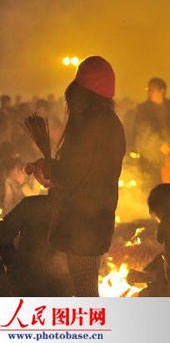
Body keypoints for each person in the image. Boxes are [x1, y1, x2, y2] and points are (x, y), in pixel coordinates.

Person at [27, 56, 126, 297]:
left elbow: (74, 173)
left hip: (82, 224)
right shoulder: (110, 122)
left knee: (85, 290)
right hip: (94, 220)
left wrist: (49, 168)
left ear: (79, 90)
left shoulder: (89, 123)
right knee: (81, 288)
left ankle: (96, 334)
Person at [133, 77, 170, 190]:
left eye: (153, 89)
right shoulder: (143, 109)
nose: (150, 92)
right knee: (152, 190)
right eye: (148, 89)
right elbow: (142, 132)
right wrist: (159, 145)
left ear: (162, 91)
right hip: (151, 161)